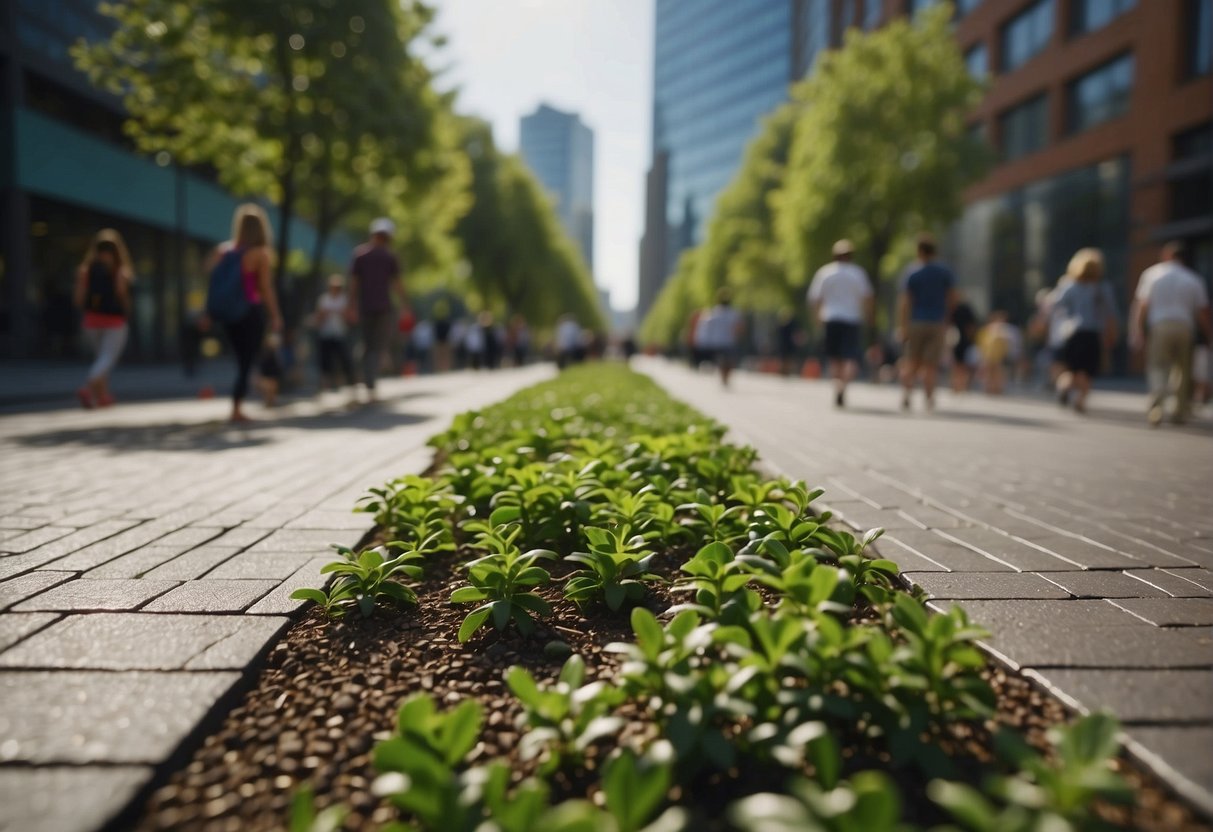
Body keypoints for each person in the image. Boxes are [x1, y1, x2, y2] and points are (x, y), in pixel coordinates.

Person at [206, 204, 282, 423]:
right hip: (250, 312)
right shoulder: (260, 254)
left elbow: (212, 280)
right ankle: (238, 407)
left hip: (228, 315)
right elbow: (266, 288)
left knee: (242, 360)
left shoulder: (224, 251)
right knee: (248, 361)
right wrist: (276, 315)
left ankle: (251, 395)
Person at [1130, 241, 1212, 426]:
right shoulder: (1193, 278)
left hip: (1160, 326)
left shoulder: (1152, 274)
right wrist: (1209, 334)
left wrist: (1138, 330)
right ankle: (1179, 410)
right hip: (1185, 327)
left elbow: (1142, 305)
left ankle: (1157, 401)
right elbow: (1203, 311)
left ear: (1167, 255)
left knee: (1158, 365)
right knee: (1183, 370)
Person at [1051, 248, 1118, 415]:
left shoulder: (1069, 286)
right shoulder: (1102, 288)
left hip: (1072, 334)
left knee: (1071, 370)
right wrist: (1111, 334)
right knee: (1087, 372)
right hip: (1092, 334)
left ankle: (1063, 387)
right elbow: (1110, 314)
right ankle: (1080, 399)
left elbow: (1056, 306)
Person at [807, 239, 873, 407]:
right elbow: (867, 297)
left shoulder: (825, 273)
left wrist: (816, 318)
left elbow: (815, 299)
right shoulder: (858, 273)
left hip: (831, 318)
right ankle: (844, 386)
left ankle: (837, 385)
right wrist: (868, 317)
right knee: (849, 356)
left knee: (834, 357)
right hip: (852, 319)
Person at [74, 229, 133, 408]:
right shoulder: (120, 271)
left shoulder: (85, 270)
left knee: (100, 358)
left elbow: (78, 299)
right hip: (114, 321)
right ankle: (88, 386)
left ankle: (102, 397)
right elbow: (122, 296)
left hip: (91, 321)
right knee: (107, 359)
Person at [897, 235, 957, 411]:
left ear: (919, 251)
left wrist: (903, 326)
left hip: (916, 321)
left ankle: (907, 395)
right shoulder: (945, 272)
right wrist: (947, 319)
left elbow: (905, 302)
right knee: (931, 364)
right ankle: (929, 398)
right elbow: (952, 298)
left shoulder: (912, 272)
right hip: (937, 322)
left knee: (911, 361)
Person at [348, 217, 403, 400]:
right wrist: (406, 305)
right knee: (375, 346)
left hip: (366, 307)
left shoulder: (360, 255)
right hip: (381, 308)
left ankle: (360, 381)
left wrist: (352, 305)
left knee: (366, 345)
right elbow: (397, 284)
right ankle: (369, 383)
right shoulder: (389, 257)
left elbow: (354, 284)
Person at [313, 274, 354, 391]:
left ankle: (344, 383)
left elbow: (348, 316)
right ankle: (325, 385)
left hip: (340, 333)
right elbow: (319, 315)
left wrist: (339, 312)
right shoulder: (324, 299)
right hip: (325, 333)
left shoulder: (344, 299)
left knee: (343, 359)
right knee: (325, 360)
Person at [703, 288, 743, 387]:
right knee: (729, 361)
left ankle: (723, 378)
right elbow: (739, 327)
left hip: (718, 341)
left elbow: (708, 324)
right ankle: (726, 378)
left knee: (721, 361)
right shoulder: (734, 313)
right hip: (729, 341)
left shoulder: (714, 312)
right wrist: (737, 336)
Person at [974, 310, 1022, 395]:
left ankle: (997, 388)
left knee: (998, 372)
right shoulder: (987, 329)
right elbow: (982, 342)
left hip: (1000, 355)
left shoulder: (1007, 330)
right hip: (989, 355)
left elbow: (1012, 344)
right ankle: (989, 387)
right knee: (989, 372)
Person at [949, 295, 979, 393]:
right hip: (963, 340)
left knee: (958, 364)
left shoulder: (952, 308)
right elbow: (972, 326)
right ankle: (961, 384)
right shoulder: (963, 308)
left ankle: (958, 385)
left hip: (956, 340)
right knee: (963, 364)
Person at [257, 332, 283, 407]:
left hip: (272, 373)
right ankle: (269, 401)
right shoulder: (266, 354)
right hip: (268, 373)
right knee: (268, 388)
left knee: (272, 388)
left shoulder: (275, 354)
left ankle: (271, 401)